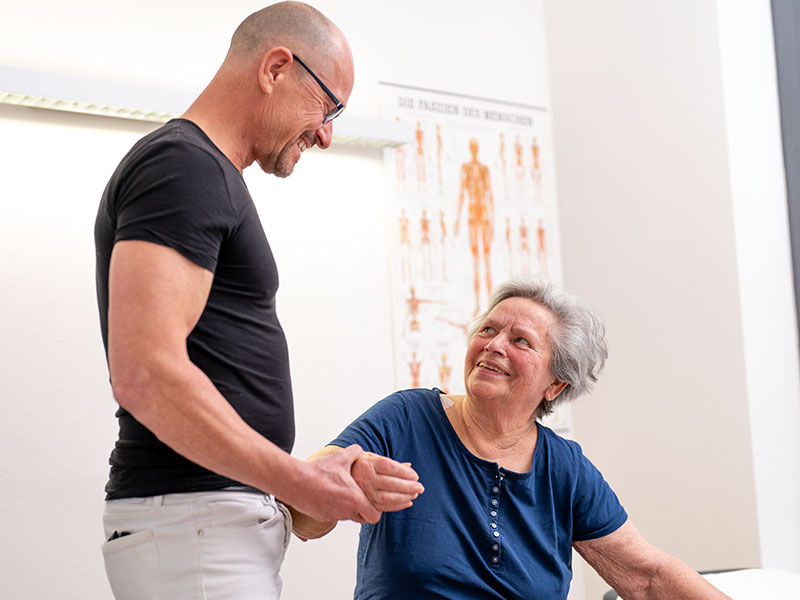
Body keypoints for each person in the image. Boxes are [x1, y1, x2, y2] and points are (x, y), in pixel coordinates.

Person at [93, 3, 422, 599]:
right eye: (328, 107)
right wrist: (297, 480)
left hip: (205, 533)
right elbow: (144, 373)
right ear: (275, 68)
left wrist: (309, 476)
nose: (326, 134)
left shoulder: (204, 171)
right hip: (193, 533)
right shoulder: (183, 166)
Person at [290, 277, 731, 599]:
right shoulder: (406, 418)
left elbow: (647, 576)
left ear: (554, 385)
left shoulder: (564, 469)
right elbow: (301, 510)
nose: (495, 344)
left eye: (520, 340)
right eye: (488, 329)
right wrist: (342, 484)